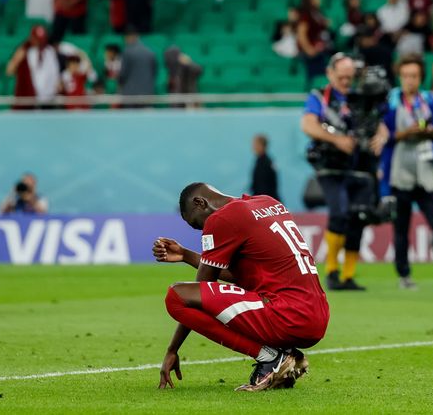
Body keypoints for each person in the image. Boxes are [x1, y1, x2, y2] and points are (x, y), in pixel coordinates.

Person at [153, 183, 326, 392]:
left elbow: (200, 291)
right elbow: (246, 276)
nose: (203, 230)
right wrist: (186, 255)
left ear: (200, 203)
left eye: (198, 224)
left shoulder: (222, 219)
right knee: (248, 292)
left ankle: (271, 358)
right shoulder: (267, 203)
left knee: (175, 296)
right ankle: (284, 351)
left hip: (287, 315)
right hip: (316, 315)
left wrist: (173, 349)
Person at [301, 54, 389, 291]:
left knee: (358, 218)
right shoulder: (319, 97)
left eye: (350, 77)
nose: (346, 82)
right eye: (341, 77)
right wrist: (336, 140)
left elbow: (379, 125)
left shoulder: (360, 97)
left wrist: (381, 137)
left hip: (359, 168)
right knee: (339, 213)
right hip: (330, 167)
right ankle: (331, 271)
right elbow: (308, 124)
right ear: (330, 74)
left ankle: (349, 276)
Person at [380, 55, 433, 291]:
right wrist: (404, 133)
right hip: (400, 172)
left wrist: (429, 132)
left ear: (421, 77)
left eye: (414, 76)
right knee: (401, 228)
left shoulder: (429, 101)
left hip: (427, 172)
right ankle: (404, 275)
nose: (410, 80)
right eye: (406, 76)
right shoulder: (390, 102)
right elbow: (385, 136)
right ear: (400, 77)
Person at [117, 30, 157, 102]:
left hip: (130, 94)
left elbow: (123, 73)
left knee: (130, 113)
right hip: (147, 92)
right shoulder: (150, 52)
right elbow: (154, 72)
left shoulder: (127, 52)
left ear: (128, 38)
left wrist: (119, 86)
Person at [250, 134, 279, 202]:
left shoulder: (265, 162)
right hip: (265, 200)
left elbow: (263, 187)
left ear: (261, 145)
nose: (253, 146)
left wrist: (259, 201)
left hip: (265, 202)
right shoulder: (261, 161)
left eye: (255, 144)